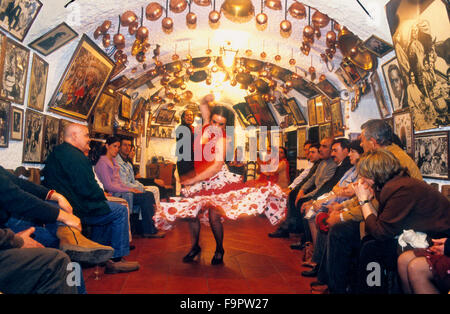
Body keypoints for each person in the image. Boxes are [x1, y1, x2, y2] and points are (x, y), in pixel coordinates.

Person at [155, 94, 287, 265]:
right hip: (199, 178)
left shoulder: (223, 140)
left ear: (226, 125)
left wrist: (192, 178)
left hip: (215, 179)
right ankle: (194, 247)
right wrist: (207, 99)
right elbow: (202, 104)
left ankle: (219, 248)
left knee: (213, 215)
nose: (216, 126)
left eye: (221, 124)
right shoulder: (205, 126)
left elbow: (216, 167)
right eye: (215, 121)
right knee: (192, 214)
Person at [42, 123, 140, 274]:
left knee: (107, 208)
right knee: (119, 210)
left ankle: (98, 253)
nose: (89, 139)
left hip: (64, 205)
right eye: (86, 135)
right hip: (77, 208)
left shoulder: (58, 152)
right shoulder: (76, 157)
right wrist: (102, 196)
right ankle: (116, 259)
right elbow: (88, 188)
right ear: (74, 136)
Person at [354, 149, 450, 293]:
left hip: (438, 239)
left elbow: (380, 233)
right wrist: (367, 200)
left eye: (363, 175)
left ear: (372, 176)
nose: (361, 180)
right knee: (369, 242)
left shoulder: (401, 189)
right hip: (423, 235)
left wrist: (364, 201)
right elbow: (380, 225)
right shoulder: (397, 184)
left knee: (373, 249)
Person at [94, 136, 165, 239]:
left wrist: (132, 189)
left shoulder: (113, 161)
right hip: (114, 194)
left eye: (118, 147)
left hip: (121, 191)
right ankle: (148, 230)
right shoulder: (102, 162)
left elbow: (119, 182)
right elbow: (108, 186)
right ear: (107, 146)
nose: (116, 149)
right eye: (115, 146)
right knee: (146, 196)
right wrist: (129, 189)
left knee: (148, 194)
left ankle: (149, 227)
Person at [268, 138, 336, 239]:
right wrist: (301, 190)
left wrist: (304, 193)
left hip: (320, 194)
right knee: (293, 195)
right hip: (312, 190)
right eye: (307, 151)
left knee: (299, 199)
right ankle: (290, 227)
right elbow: (310, 179)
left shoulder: (330, 164)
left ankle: (300, 233)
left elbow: (323, 186)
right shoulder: (321, 163)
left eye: (313, 151)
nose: (309, 154)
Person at [176, 109, 195, 181]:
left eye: (191, 115)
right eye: (187, 115)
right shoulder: (182, 128)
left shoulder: (192, 128)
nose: (189, 117)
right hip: (185, 161)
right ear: (183, 118)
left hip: (191, 161)